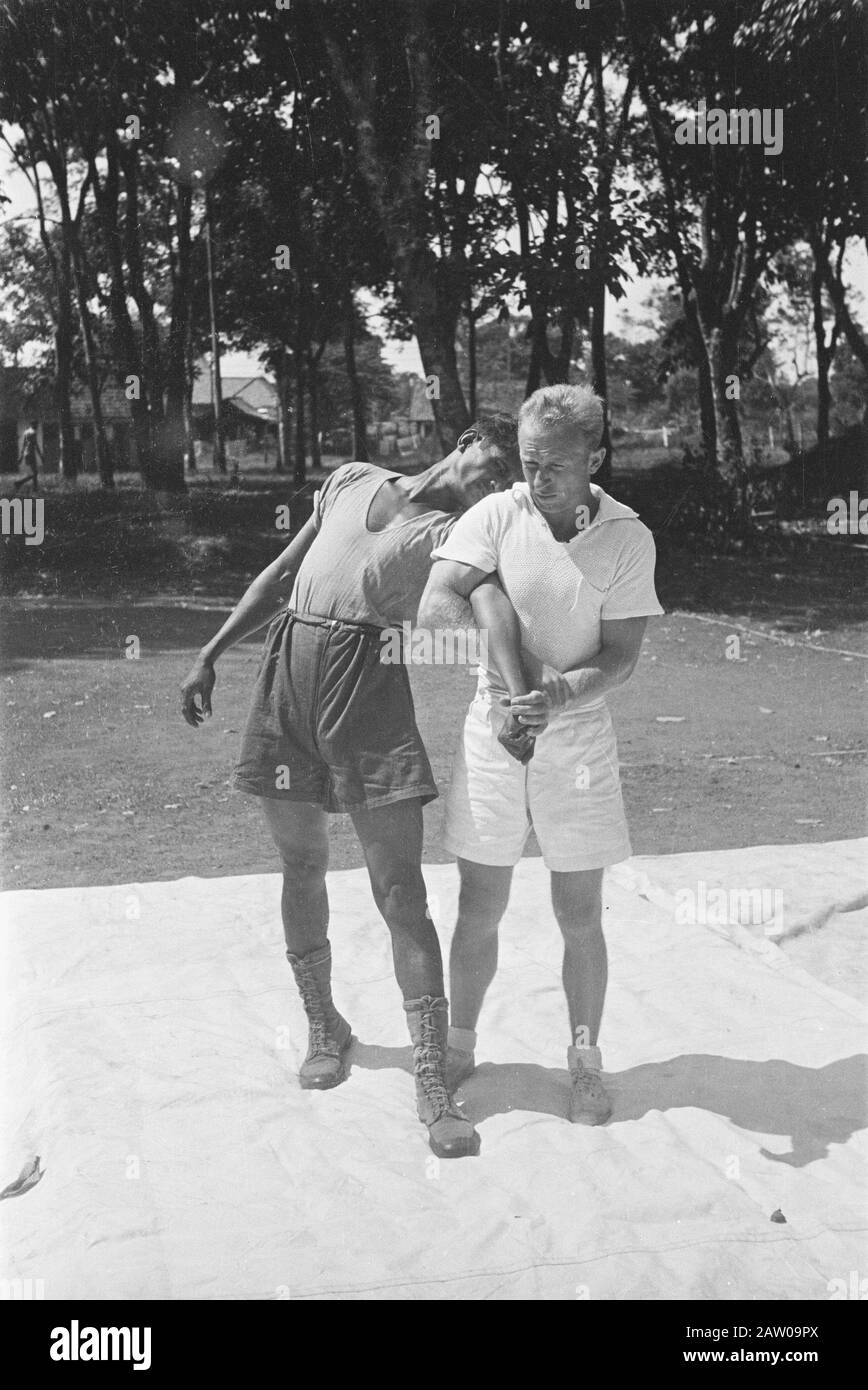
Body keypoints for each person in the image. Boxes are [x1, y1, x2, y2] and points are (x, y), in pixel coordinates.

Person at [180, 417, 519, 1159]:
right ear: (466, 441)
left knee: (400, 889)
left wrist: (521, 687)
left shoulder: (461, 536)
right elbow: (280, 575)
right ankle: (324, 1024)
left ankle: (432, 1077)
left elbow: (490, 611)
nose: (501, 479)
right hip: (288, 677)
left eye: (514, 477)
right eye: (499, 460)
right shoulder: (350, 479)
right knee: (299, 863)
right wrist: (210, 653)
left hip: (367, 689)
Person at [418, 384, 664, 1125]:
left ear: (596, 456)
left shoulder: (627, 536)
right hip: (493, 733)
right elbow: (436, 603)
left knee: (578, 912)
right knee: (480, 904)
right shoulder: (495, 514)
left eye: (556, 464)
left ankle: (585, 1061)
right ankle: (459, 1046)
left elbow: (620, 657)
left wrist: (556, 696)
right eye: (529, 462)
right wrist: (509, 658)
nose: (539, 478)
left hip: (579, 742)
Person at [15, 421, 43, 492]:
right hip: (31, 454)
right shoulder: (33, 433)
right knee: (35, 472)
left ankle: (35, 488)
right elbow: (36, 445)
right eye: (36, 425)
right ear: (32, 425)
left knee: (34, 472)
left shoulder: (26, 432)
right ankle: (19, 483)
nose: (37, 427)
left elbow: (24, 445)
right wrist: (41, 456)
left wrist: (21, 457)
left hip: (26, 454)